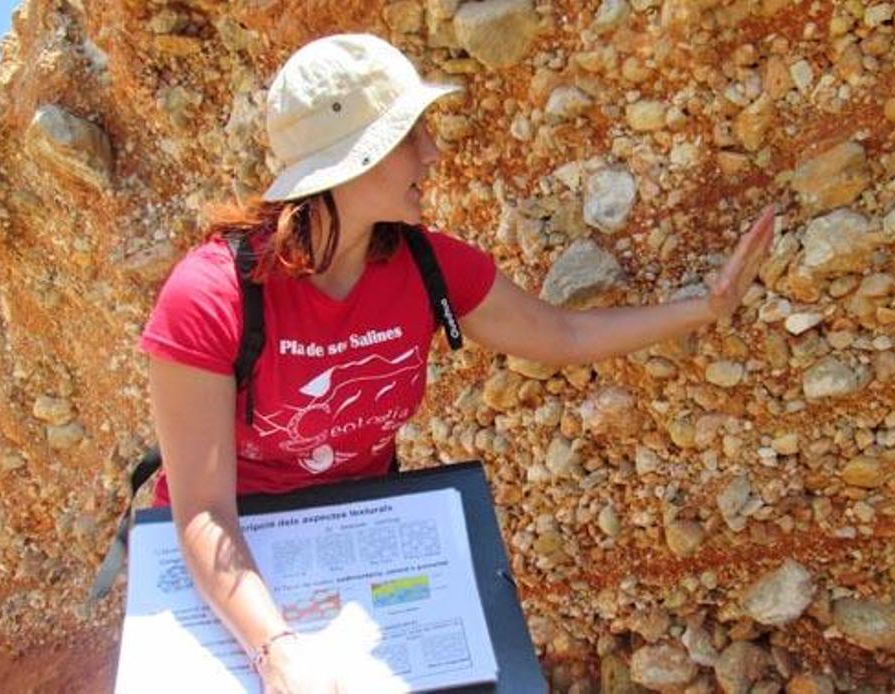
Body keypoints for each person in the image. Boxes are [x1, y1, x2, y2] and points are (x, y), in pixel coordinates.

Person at [141, 33, 775, 693]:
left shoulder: (428, 266)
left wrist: (707, 307)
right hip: (235, 564)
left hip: (354, 533)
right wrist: (276, 653)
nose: (433, 153)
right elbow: (205, 513)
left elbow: (562, 335)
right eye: (411, 135)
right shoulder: (212, 294)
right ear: (354, 160)